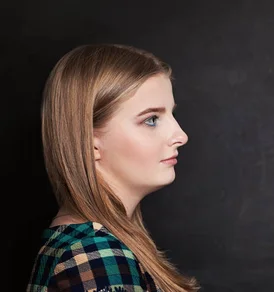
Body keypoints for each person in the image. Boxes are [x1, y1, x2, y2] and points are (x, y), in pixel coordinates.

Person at [27, 44, 199, 291]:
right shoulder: (95, 254)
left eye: (171, 114)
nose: (181, 135)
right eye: (151, 120)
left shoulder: (85, 243)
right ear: (91, 143)